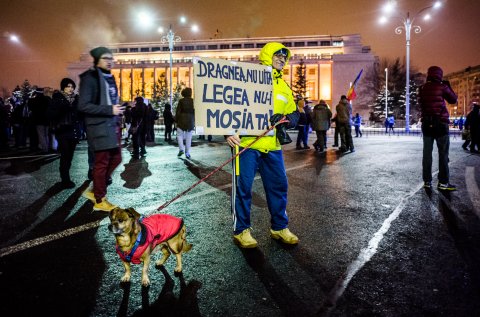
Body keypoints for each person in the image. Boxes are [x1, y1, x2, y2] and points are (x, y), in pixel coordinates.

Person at [225, 42, 300, 248]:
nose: (282, 59)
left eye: (285, 57)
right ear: (267, 55)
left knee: (279, 187)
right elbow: (227, 103)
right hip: (247, 144)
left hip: (273, 146)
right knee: (243, 189)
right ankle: (241, 230)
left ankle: (279, 227)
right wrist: (227, 131)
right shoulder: (249, 79)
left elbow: (294, 112)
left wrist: (288, 119)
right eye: (278, 55)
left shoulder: (284, 86)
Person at [79, 46, 125, 211]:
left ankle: (95, 189)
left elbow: (109, 101)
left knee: (117, 158)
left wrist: (118, 109)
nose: (109, 61)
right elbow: (83, 105)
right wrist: (109, 110)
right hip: (98, 127)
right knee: (101, 163)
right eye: (106, 58)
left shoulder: (109, 78)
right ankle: (100, 200)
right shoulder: (90, 78)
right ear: (97, 60)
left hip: (112, 126)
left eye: (111, 58)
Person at [418, 66, 458, 191]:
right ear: (440, 75)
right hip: (441, 125)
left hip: (427, 125)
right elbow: (453, 99)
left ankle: (427, 181)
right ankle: (443, 183)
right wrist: (448, 85)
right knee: (443, 154)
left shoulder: (422, 88)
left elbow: (421, 104)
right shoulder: (443, 87)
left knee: (427, 154)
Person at [48, 78, 79, 188]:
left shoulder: (76, 99)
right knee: (65, 155)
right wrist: (63, 107)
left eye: (72, 87)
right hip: (62, 131)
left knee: (69, 156)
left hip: (73, 131)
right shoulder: (57, 98)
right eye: (68, 86)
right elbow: (51, 114)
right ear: (63, 87)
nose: (70, 89)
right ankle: (65, 179)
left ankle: (66, 178)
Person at [175, 87, 195, 159]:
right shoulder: (193, 101)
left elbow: (178, 111)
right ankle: (187, 152)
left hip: (181, 119)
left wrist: (176, 120)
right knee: (189, 137)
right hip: (190, 120)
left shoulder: (181, 101)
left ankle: (181, 149)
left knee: (179, 135)